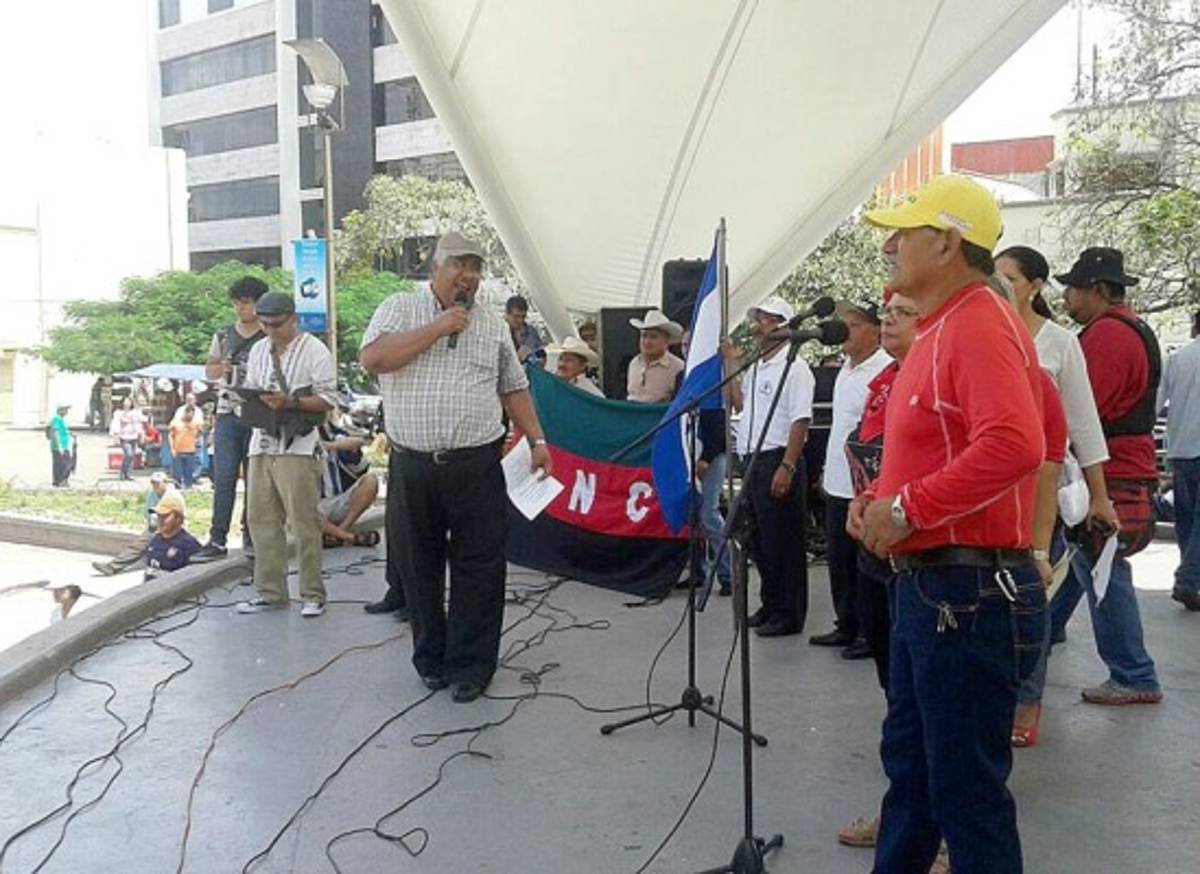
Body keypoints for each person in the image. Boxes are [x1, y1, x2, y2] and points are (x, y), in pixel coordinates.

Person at [851, 174, 1047, 873]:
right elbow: (942, 444)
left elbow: (1015, 445)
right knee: (916, 777)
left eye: (904, 233)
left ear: (946, 243)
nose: (890, 247)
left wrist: (906, 509)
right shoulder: (944, 328)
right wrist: (879, 498)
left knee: (963, 793)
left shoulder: (977, 322)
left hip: (962, 593)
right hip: (936, 589)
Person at [360, 231, 553, 703]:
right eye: (458, 265)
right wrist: (439, 327)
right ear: (436, 267)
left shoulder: (492, 324)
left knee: (480, 567)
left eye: (475, 267)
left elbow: (513, 387)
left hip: (476, 464)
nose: (468, 275)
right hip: (413, 465)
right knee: (417, 567)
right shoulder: (399, 308)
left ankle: (471, 666)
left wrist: (537, 439)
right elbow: (373, 358)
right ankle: (431, 659)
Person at [995, 245, 1119, 746]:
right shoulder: (983, 334)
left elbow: (1084, 424)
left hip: (1042, 489)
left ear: (1035, 286)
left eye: (1009, 278)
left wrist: (1100, 496)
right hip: (989, 490)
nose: (999, 286)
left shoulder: (1059, 343)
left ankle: (1027, 700)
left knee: (1031, 597)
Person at [1052, 246, 1163, 705]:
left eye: (1073, 289)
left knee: (1101, 567)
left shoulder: (1107, 337)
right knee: (1083, 562)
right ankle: (1040, 636)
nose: (1067, 298)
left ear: (1096, 289)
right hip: (1124, 466)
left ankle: (1134, 673)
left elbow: (1082, 410)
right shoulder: (1131, 328)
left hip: (1112, 471)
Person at [234, 291, 337, 619]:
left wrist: (291, 401)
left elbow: (329, 399)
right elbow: (252, 386)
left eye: (276, 324)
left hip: (298, 445)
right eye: (264, 324)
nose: (270, 331)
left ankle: (312, 592)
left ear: (293, 319)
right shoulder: (258, 350)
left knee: (303, 522)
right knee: (261, 519)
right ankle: (270, 591)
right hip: (262, 442)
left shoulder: (314, 350)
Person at [723, 295, 814, 637]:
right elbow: (740, 405)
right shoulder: (757, 365)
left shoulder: (796, 368)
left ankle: (789, 613)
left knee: (783, 541)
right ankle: (771, 603)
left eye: (767, 319)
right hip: (753, 457)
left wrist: (788, 465)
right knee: (760, 539)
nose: (759, 325)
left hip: (777, 456)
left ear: (783, 325)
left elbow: (800, 419)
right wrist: (730, 365)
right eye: (759, 318)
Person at [810, 300, 891, 658]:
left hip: (866, 485)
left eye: (854, 324)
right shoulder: (844, 368)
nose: (846, 330)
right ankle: (846, 623)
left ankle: (869, 632)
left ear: (875, 331)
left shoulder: (884, 369)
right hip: (838, 480)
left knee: (865, 565)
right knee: (840, 560)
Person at [193, 276, 268, 561]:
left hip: (257, 412)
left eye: (246, 302)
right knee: (223, 477)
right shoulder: (223, 335)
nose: (241, 308)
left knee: (255, 479)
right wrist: (221, 368)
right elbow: (210, 369)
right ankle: (217, 539)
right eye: (237, 303)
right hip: (226, 412)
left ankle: (251, 536)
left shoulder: (269, 334)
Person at [1158, 310, 1200, 611]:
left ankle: (1191, 577)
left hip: (1181, 450)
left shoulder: (1178, 359)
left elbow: (1156, 403)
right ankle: (1188, 579)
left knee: (1186, 520)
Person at [92, 471, 174, 576]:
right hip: (157, 524)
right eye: (153, 483)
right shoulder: (152, 495)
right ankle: (112, 567)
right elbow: (148, 513)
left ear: (165, 483)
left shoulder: (172, 496)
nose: (155, 486)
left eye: (158, 483)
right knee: (140, 543)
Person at [317, 421, 382, 548]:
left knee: (371, 481)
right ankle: (350, 537)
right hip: (315, 504)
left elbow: (358, 441)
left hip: (337, 500)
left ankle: (340, 532)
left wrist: (330, 446)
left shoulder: (334, 437)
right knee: (302, 512)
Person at [626, 310, 684, 403]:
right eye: (644, 336)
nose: (647, 342)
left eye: (653, 337)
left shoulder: (678, 368)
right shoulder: (634, 363)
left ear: (666, 341)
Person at [144, 489, 202, 580]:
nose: (160, 520)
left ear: (178, 518)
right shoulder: (156, 539)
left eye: (165, 516)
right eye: (159, 516)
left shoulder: (189, 545)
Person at [110, 397, 146, 481]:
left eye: (129, 402)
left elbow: (139, 423)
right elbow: (115, 424)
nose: (127, 403)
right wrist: (116, 436)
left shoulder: (135, 413)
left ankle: (128, 474)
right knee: (128, 454)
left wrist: (141, 435)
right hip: (124, 437)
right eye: (125, 402)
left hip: (134, 436)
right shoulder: (118, 413)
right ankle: (123, 472)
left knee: (132, 456)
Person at [505, 295, 545, 366]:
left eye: (523, 316)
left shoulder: (531, 332)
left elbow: (542, 356)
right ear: (507, 314)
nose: (520, 320)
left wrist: (538, 361)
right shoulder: (500, 334)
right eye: (516, 316)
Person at [169, 407, 201, 488]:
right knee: (177, 472)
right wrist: (172, 449)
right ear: (185, 413)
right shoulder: (176, 423)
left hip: (191, 451)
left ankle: (188, 486)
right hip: (178, 451)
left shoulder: (195, 424)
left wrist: (196, 443)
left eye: (192, 415)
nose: (191, 417)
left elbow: (200, 433)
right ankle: (178, 486)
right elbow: (171, 436)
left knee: (189, 472)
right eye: (189, 415)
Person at [47, 403, 75, 487]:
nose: (67, 412)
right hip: (59, 446)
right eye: (65, 409)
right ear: (60, 410)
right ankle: (61, 480)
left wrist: (69, 433)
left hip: (64, 446)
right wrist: (59, 446)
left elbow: (62, 431)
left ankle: (59, 481)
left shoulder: (61, 419)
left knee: (63, 463)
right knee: (64, 464)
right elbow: (55, 432)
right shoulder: (57, 419)